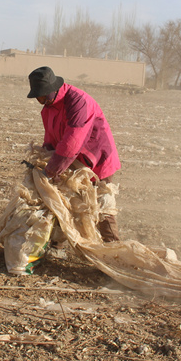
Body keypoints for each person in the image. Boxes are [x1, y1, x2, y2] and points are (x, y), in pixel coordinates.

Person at [27, 66, 121, 241]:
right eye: (38, 98)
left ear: (52, 90)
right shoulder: (48, 108)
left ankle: (114, 252)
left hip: (96, 160)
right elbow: (50, 137)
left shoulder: (78, 102)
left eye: (42, 96)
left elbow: (73, 141)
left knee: (102, 204)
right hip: (70, 160)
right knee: (63, 201)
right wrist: (44, 159)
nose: (41, 100)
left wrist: (51, 170)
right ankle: (57, 246)